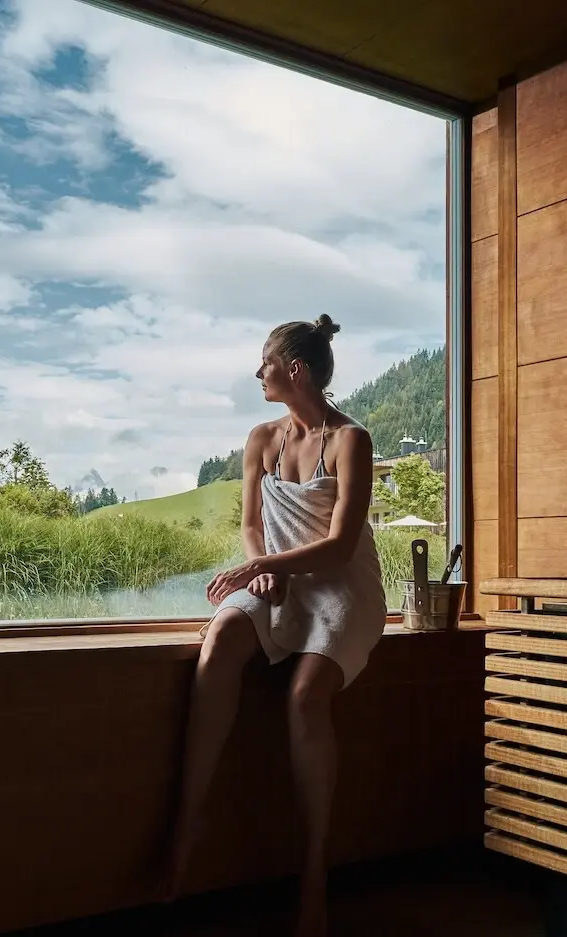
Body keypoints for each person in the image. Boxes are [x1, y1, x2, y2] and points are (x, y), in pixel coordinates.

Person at [161, 314, 387, 937]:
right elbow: (252, 525)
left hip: (342, 588)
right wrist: (263, 571)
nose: (257, 373)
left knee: (305, 696)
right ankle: (191, 821)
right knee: (221, 642)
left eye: (263, 363)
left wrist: (264, 564)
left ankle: (313, 873)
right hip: (280, 578)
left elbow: (342, 546)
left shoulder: (351, 441)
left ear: (296, 370)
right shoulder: (260, 439)